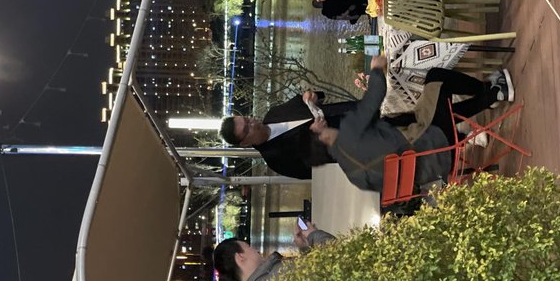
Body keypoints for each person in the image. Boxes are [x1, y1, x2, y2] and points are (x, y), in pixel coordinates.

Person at [309, 55, 515, 192]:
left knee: (436, 110)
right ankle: (493, 91)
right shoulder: (349, 132)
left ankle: (490, 96)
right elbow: (375, 95)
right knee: (436, 77)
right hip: (435, 140)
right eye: (314, 126)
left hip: (442, 168)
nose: (317, 121)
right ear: (322, 138)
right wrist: (376, 68)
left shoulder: (355, 178)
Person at [220, 90, 416, 180]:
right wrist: (316, 137)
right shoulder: (276, 160)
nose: (252, 123)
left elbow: (311, 99)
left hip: (357, 113)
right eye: (247, 129)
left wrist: (311, 96)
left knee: (411, 116)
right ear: (245, 143)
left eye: (247, 119)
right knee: (413, 143)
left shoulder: (274, 114)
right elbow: (317, 173)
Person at [213, 219, 335, 281]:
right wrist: (312, 234)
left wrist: (305, 248)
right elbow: (332, 260)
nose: (256, 250)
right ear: (240, 257)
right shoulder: (275, 279)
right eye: (248, 247)